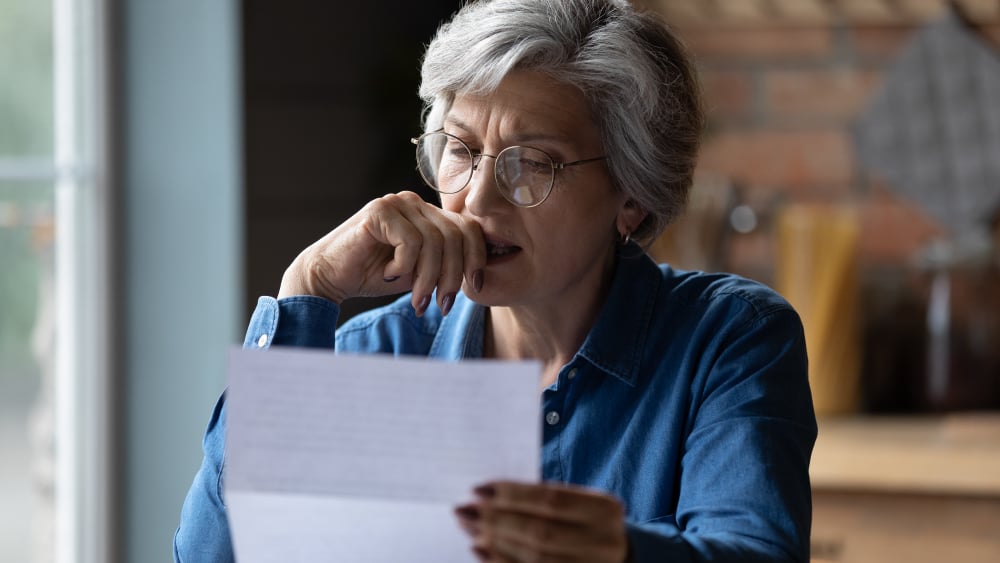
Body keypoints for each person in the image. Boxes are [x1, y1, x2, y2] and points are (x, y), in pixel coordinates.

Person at [174, 0, 817, 561]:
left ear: (632, 195)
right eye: (460, 149)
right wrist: (307, 290)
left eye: (530, 163)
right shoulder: (380, 354)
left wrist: (621, 554)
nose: (478, 200)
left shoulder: (729, 339)